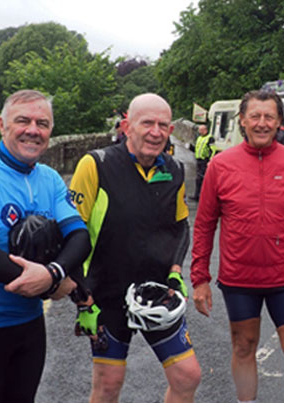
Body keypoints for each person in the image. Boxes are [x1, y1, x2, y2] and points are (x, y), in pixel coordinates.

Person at [0, 89, 90, 403]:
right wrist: (51, 283)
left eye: (43, 123)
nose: (33, 130)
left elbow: (80, 237)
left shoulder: (49, 179)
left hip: (29, 324)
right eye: (23, 121)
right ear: (1, 125)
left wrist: (52, 274)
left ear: (50, 131)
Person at [190, 90, 284, 403]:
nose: (262, 123)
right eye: (255, 116)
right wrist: (200, 278)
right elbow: (205, 224)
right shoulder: (221, 165)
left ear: (280, 121)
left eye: (269, 117)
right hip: (239, 279)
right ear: (243, 120)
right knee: (243, 347)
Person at [69, 93, 201, 402]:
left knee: (188, 376)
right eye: (148, 123)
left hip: (156, 294)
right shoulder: (96, 164)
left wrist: (175, 272)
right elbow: (71, 234)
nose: (156, 131)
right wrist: (82, 301)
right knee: (108, 385)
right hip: (106, 295)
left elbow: (180, 225)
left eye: (164, 125)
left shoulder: (175, 170)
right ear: (128, 125)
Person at [193, 124, 214, 201]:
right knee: (198, 178)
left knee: (201, 178)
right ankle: (196, 195)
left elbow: (213, 150)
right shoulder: (199, 138)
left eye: (200, 130)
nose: (199, 131)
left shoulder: (210, 138)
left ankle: (201, 196)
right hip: (198, 159)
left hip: (204, 160)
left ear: (205, 130)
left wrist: (210, 160)